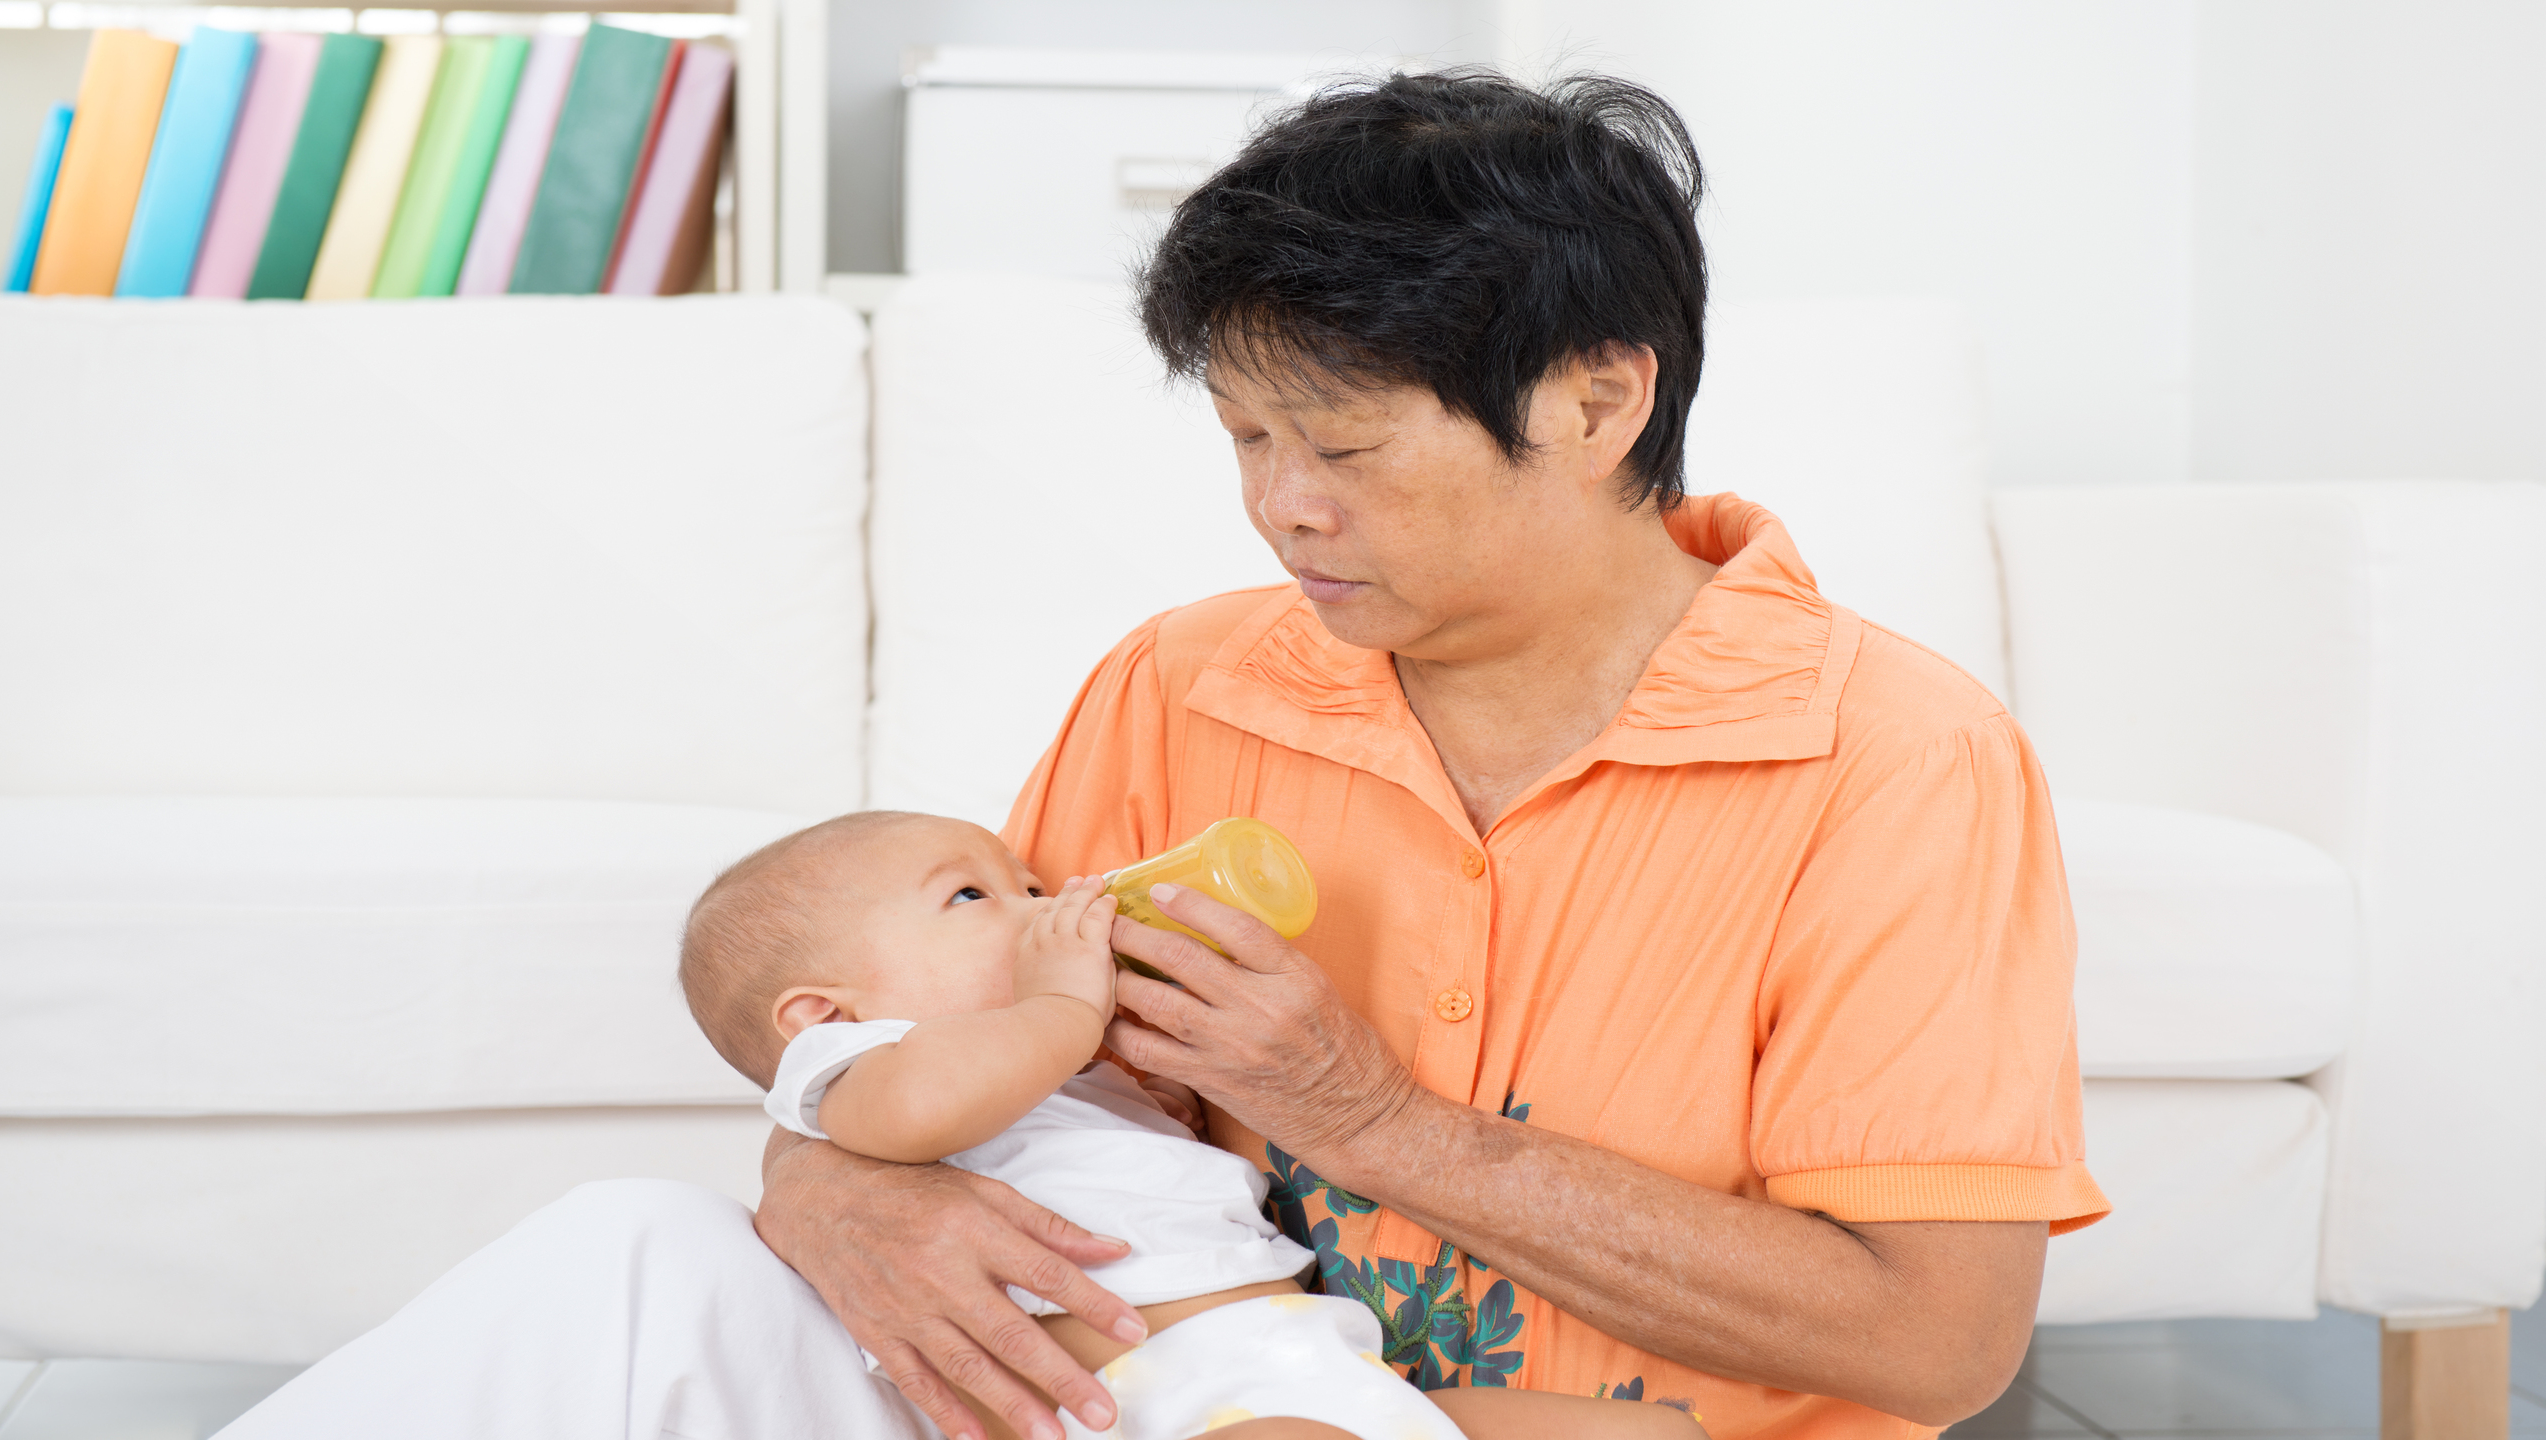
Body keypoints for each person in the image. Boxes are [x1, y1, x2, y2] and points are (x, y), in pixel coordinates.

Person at [223, 66, 2104, 1440]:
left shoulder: (1893, 761)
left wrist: (1370, 1123)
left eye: (1347, 449)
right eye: (1244, 441)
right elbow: (969, 1048)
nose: (1283, 511)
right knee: (632, 1257)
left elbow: (1937, 1344)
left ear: (1600, 397)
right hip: (1130, 1388)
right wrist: (831, 1180)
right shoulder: (1186, 685)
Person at [676, 807, 1705, 1440]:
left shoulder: (1060, 1069)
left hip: (1319, 1365)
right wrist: (1063, 1009)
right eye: (968, 896)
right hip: (1150, 1400)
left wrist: (1142, 1089)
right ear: (823, 1011)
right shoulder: (852, 1067)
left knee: (1654, 1437)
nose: (1041, 904)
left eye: (1027, 882)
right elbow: (912, 1109)